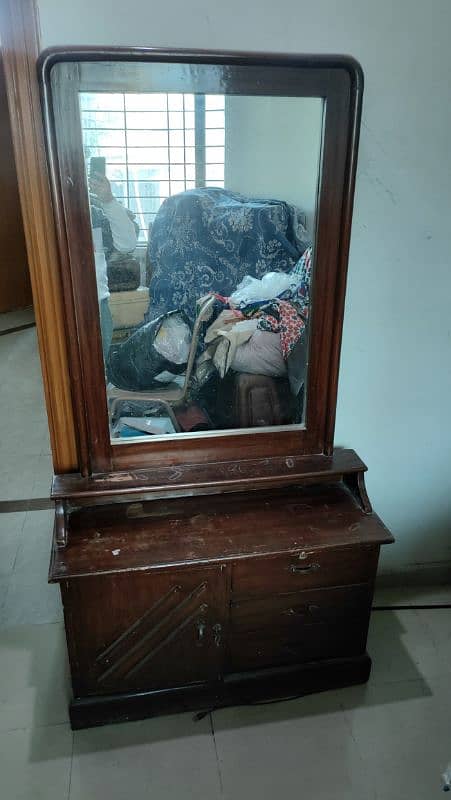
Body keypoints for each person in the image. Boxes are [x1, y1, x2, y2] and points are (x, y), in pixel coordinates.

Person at [89, 173, 138, 364]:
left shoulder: (95, 214)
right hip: (58, 303)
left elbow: (127, 244)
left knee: (97, 369)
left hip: (97, 302)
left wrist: (108, 200)